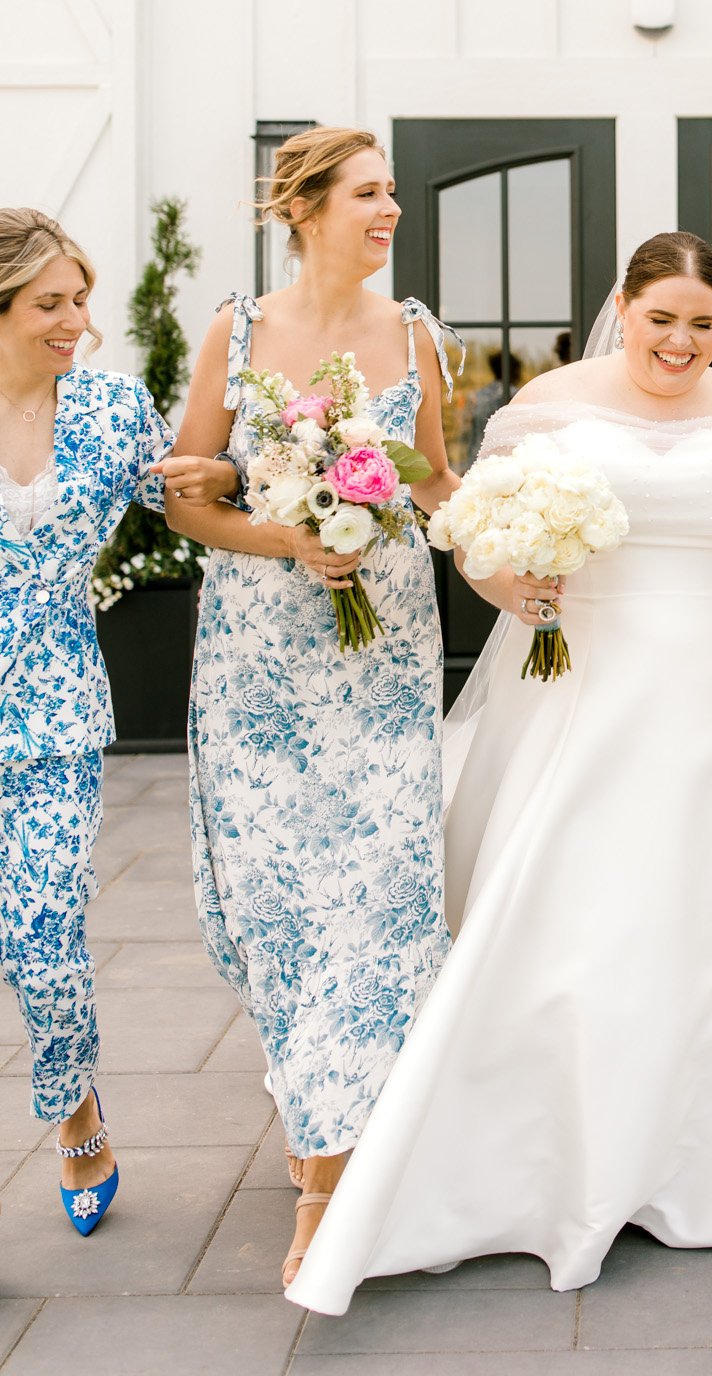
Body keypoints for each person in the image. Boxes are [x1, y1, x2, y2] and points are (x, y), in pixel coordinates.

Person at [288, 230, 712, 1313]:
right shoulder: (546, 405)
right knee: (581, 915)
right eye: (663, 318)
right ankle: (558, 1144)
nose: (683, 341)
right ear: (624, 305)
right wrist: (509, 586)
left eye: (705, 324)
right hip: (585, 682)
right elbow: (474, 527)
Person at [165, 126, 459, 1287]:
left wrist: (506, 529)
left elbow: (433, 474)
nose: (389, 211)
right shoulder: (235, 334)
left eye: (393, 194)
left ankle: (327, 1178)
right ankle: (328, 1124)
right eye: (369, 194)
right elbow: (190, 496)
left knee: (382, 904)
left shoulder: (417, 334)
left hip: (385, 658)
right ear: (306, 206)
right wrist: (283, 533)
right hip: (257, 665)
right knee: (286, 912)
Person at [0, 208, 235, 1233]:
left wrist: (231, 472)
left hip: (51, 712)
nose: (78, 321)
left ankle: (76, 1107)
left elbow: (181, 492)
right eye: (52, 302)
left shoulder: (107, 405)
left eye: (80, 299)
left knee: (44, 941)